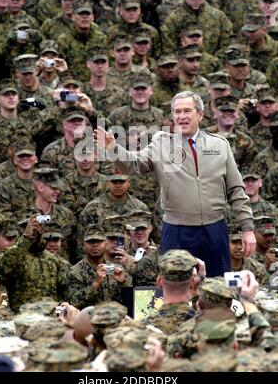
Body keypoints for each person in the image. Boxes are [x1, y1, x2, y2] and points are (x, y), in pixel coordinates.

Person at [95, 90, 255, 276]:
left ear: (200, 115)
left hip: (214, 229)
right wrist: (113, 149)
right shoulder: (161, 143)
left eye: (187, 111)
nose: (181, 117)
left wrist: (248, 228)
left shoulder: (220, 145)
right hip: (177, 230)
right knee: (176, 288)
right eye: (177, 112)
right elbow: (134, 164)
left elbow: (236, 190)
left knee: (217, 288)